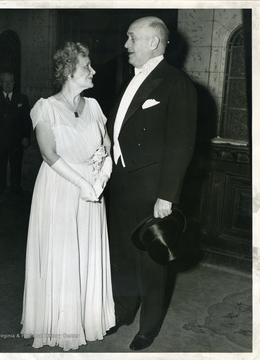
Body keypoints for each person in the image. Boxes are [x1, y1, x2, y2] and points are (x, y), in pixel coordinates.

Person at [107, 17, 197, 350]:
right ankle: (123, 310)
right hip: (121, 184)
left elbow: (181, 144)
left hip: (152, 190)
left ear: (153, 43)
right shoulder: (129, 81)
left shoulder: (176, 82)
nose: (126, 45)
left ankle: (149, 326)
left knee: (152, 260)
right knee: (123, 254)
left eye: (132, 38)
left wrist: (166, 196)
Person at [20, 42, 115, 351]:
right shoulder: (45, 107)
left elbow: (109, 150)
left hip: (91, 193)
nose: (94, 70)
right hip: (60, 188)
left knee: (85, 253)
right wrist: (83, 184)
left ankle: (84, 320)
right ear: (70, 70)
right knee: (62, 256)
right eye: (88, 66)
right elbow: (49, 154)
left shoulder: (96, 107)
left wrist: (100, 179)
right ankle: (58, 324)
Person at [0, 72, 31, 195]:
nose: (8, 84)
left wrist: (26, 137)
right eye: (5, 82)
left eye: (10, 82)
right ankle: (0, 189)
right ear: (0, 83)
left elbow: (27, 120)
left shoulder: (22, 98)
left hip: (16, 140)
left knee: (16, 166)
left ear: (14, 83)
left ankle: (16, 190)